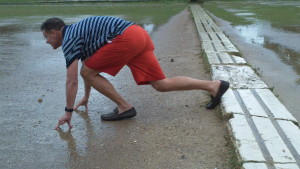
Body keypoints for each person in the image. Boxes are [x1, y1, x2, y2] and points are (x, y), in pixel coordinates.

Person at [40, 16, 229, 130]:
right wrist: (86, 97)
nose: (46, 41)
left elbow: (73, 79)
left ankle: (124, 107)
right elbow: (88, 66)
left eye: (46, 37)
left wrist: (68, 112)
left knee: (87, 72)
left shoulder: (70, 38)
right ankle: (214, 86)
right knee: (161, 84)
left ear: (55, 32)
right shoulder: (78, 33)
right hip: (138, 34)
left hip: (126, 38)